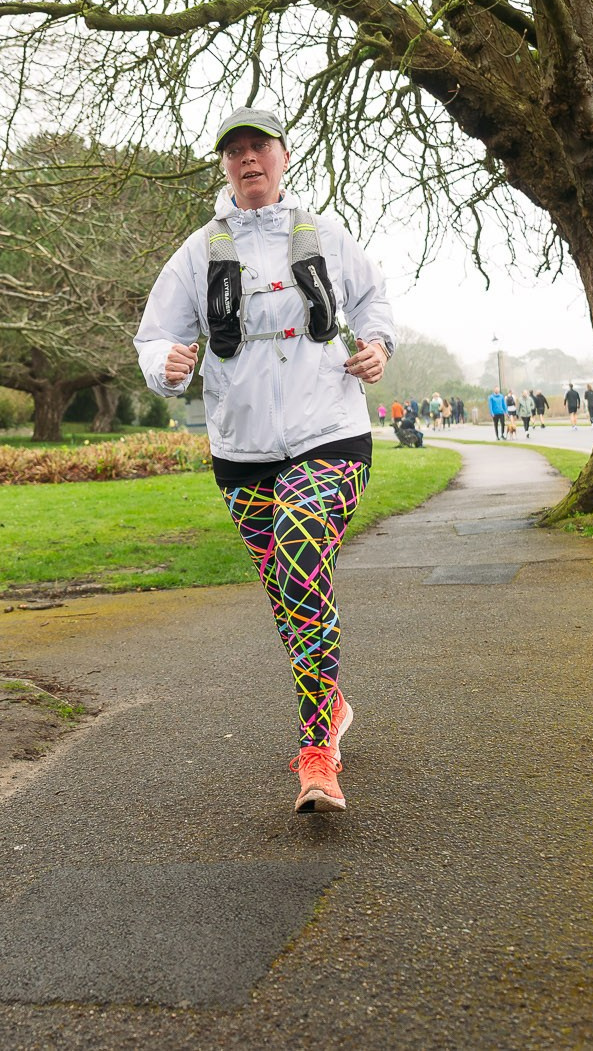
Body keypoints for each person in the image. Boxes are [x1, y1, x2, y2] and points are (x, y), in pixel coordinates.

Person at [136, 105, 393, 813]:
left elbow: (374, 305)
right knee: (288, 593)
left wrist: (376, 347)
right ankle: (332, 701)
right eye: (235, 151)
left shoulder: (328, 236)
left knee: (301, 557)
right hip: (242, 451)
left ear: (283, 156)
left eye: (260, 147)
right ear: (225, 166)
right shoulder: (197, 253)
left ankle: (317, 752)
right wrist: (169, 363)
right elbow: (153, 336)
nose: (248, 159)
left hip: (331, 433)